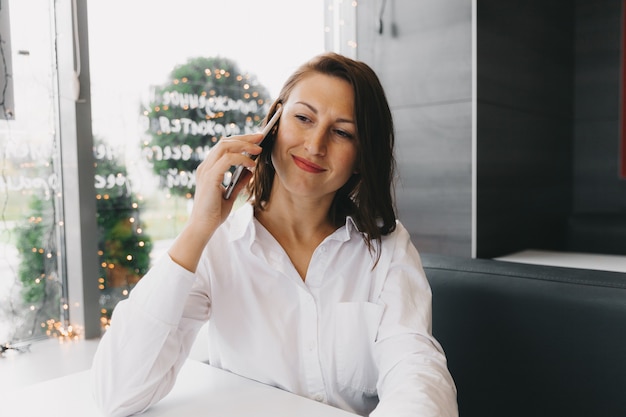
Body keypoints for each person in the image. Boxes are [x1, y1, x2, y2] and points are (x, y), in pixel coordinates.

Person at [91, 52, 458, 417]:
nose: (316, 145)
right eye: (303, 118)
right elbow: (117, 394)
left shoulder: (387, 249)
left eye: (342, 132)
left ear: (362, 157)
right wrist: (197, 230)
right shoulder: (218, 247)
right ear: (273, 124)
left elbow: (418, 377)